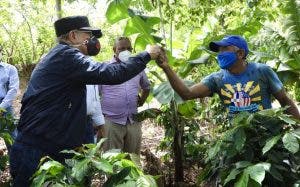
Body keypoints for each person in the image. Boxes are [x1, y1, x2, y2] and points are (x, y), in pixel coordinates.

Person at [9, 16, 163, 187]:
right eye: (87, 36)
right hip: (37, 149)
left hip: (46, 144)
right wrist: (147, 54)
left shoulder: (61, 56)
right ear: (73, 36)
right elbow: (112, 73)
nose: (92, 41)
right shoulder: (66, 56)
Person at [156, 35, 300, 120]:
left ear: (240, 54)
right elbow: (187, 93)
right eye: (219, 50)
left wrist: (297, 128)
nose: (220, 54)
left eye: (225, 49)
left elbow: (284, 100)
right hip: (237, 139)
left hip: (267, 137)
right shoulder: (217, 79)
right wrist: (166, 67)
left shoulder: (262, 71)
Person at [99, 36, 150, 156]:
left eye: (129, 48)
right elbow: (95, 95)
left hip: (133, 121)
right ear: (114, 50)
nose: (125, 51)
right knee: (112, 161)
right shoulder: (105, 68)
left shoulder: (137, 68)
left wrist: (141, 101)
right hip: (111, 122)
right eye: (121, 49)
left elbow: (146, 87)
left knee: (132, 160)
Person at [0, 47, 19, 150]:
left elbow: (13, 89)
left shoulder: (10, 69)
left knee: (11, 137)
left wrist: (1, 108)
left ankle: (16, 163)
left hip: (5, 107)